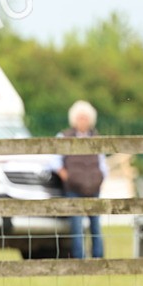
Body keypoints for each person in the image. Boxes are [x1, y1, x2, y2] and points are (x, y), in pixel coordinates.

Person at [50, 100, 108, 258]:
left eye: (85, 117)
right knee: (76, 226)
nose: (83, 121)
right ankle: (79, 258)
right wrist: (67, 177)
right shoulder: (64, 136)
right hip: (73, 188)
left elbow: (102, 163)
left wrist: (100, 179)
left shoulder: (96, 138)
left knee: (95, 225)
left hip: (93, 188)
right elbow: (54, 161)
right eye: (80, 117)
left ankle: (98, 257)